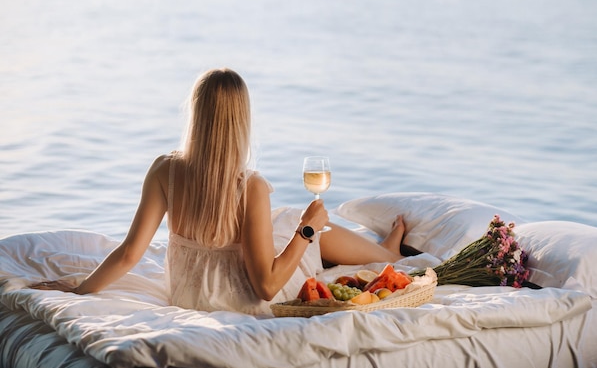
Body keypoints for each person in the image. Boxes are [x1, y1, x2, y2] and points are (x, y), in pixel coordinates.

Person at [30, 68, 407, 315]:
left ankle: (377, 249)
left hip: (187, 294)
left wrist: (80, 291)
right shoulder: (252, 186)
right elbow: (266, 286)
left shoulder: (165, 170)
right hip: (241, 300)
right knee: (296, 220)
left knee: (282, 220)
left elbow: (130, 253)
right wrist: (307, 231)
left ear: (196, 113)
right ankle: (385, 252)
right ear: (242, 119)